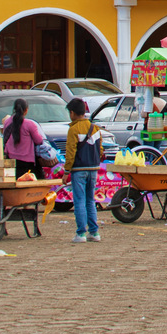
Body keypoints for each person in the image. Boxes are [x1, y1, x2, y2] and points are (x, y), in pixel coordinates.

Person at [65, 99, 104, 243]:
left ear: (73, 113)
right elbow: (100, 149)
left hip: (78, 170)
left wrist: (66, 171)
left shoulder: (73, 129)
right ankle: (94, 232)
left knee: (79, 201)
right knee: (90, 200)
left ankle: (81, 233)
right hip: (93, 169)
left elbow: (70, 153)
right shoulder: (95, 128)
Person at [1, 98, 46, 178]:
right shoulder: (29, 124)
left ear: (14, 109)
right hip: (27, 162)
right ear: (26, 110)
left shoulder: (7, 122)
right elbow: (38, 140)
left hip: (11, 160)